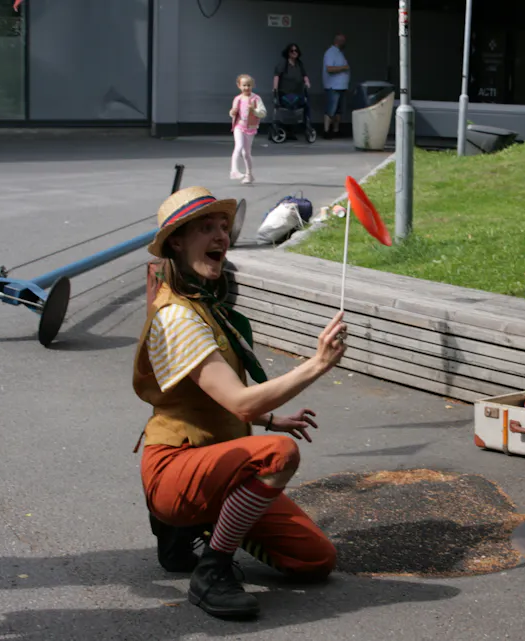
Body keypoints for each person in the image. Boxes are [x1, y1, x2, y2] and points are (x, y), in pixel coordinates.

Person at [134, 186, 347, 620]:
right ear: (176, 241)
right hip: (176, 464)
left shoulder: (204, 302)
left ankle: (200, 526)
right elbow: (239, 403)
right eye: (206, 228)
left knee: (315, 560)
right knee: (279, 455)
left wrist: (272, 418)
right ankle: (211, 569)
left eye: (223, 227)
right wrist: (318, 364)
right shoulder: (178, 314)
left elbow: (226, 399)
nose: (221, 236)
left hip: (219, 466)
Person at [229, 74, 266, 185]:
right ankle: (234, 170)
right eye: (244, 85)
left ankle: (249, 174)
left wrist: (254, 110)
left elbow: (263, 113)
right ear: (239, 86)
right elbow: (232, 112)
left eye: (249, 85)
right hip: (239, 126)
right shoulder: (238, 99)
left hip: (250, 128)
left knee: (246, 153)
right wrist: (232, 112)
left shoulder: (256, 99)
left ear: (253, 85)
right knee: (238, 146)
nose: (246, 88)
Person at [321, 33, 350, 139]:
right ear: (337, 41)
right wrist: (344, 68)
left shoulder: (339, 53)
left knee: (338, 111)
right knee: (330, 110)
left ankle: (336, 130)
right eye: (343, 41)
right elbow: (329, 69)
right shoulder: (330, 53)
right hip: (333, 87)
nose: (344, 43)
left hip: (341, 87)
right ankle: (326, 130)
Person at [273, 43, 311, 122]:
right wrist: (275, 89)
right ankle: (289, 128)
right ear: (288, 52)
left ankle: (307, 126)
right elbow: (277, 76)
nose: (294, 52)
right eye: (292, 51)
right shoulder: (284, 63)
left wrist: (307, 82)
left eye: (296, 51)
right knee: (291, 106)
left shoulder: (299, 64)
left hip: (298, 93)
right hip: (286, 93)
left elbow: (304, 75)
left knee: (306, 105)